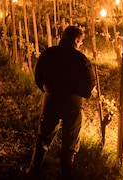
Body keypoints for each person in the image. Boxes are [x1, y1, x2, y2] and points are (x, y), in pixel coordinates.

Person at [27, 25, 96, 179]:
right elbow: (90, 83)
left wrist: (48, 91)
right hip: (73, 105)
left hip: (51, 101)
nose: (81, 45)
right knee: (69, 146)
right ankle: (66, 176)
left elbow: (38, 77)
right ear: (76, 40)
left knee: (43, 138)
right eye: (81, 42)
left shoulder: (48, 54)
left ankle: (34, 171)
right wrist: (80, 94)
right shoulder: (81, 59)